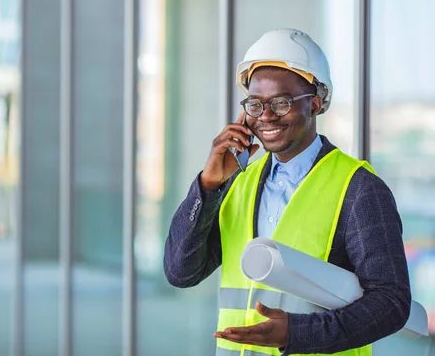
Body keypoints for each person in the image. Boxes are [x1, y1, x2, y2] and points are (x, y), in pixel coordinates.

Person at [163, 28, 411, 355]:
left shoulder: (358, 189)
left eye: (281, 102)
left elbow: (390, 303)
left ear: (316, 104)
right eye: (255, 104)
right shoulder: (238, 181)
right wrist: (208, 186)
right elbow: (181, 272)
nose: (265, 116)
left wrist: (296, 332)